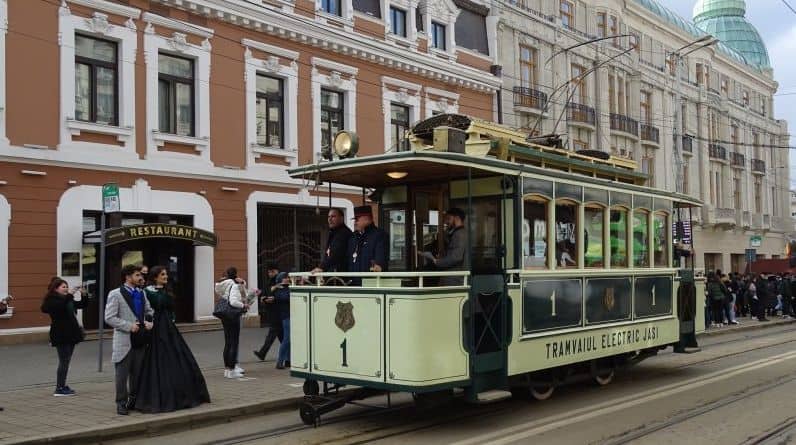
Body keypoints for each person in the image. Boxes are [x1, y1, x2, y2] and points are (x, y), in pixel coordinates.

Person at [134, 266, 210, 413]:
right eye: (163, 274)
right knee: (157, 358)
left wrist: (173, 317)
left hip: (169, 327)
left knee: (178, 356)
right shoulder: (147, 291)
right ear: (155, 276)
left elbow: (171, 309)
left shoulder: (167, 290)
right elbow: (146, 310)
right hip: (156, 327)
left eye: (166, 274)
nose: (166, 276)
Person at [105, 265, 154, 415]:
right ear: (127, 277)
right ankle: (121, 402)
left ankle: (134, 400)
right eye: (137, 275)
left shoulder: (141, 293)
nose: (141, 278)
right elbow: (109, 318)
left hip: (140, 338)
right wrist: (128, 326)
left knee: (137, 373)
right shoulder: (115, 294)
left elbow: (149, 310)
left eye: (141, 275)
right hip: (124, 339)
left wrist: (149, 321)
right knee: (122, 375)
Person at [41, 277, 89, 396]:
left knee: (66, 361)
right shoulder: (52, 300)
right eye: (63, 287)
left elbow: (81, 305)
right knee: (64, 361)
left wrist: (84, 295)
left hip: (71, 333)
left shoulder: (67, 299)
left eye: (67, 286)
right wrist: (70, 294)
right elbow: (57, 307)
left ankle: (62, 385)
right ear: (56, 289)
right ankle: (59, 388)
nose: (66, 288)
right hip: (60, 334)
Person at [215, 267, 249, 379]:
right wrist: (243, 305)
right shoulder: (234, 285)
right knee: (234, 343)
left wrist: (242, 283)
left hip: (225, 316)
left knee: (228, 342)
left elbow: (220, 293)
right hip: (233, 316)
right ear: (236, 275)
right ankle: (232, 369)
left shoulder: (222, 284)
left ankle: (227, 370)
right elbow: (233, 301)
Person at [347, 205, 387, 285]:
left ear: (367, 219)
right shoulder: (353, 237)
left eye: (357, 220)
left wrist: (378, 265)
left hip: (371, 284)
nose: (355, 223)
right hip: (353, 284)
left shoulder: (379, 235)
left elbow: (380, 257)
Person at [427, 207, 467, 286]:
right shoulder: (457, 233)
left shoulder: (459, 234)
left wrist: (438, 262)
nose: (446, 222)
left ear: (457, 218)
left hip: (454, 278)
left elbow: (456, 257)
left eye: (449, 219)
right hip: (454, 277)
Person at [254, 262, 284, 361]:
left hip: (278, 311)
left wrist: (273, 298)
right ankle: (289, 355)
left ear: (277, 271)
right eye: (269, 272)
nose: (270, 274)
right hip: (272, 311)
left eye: (272, 272)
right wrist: (262, 296)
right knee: (282, 337)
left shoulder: (280, 280)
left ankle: (262, 353)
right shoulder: (270, 281)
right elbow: (266, 292)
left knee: (273, 334)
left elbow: (281, 294)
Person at [312, 208, 353, 274]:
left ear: (341, 218)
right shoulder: (334, 233)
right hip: (333, 273)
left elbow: (335, 254)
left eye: (333, 216)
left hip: (340, 275)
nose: (330, 219)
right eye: (328, 217)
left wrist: (321, 267)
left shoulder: (344, 233)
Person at [273, 271, 291, 369]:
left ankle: (288, 360)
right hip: (286, 316)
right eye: (285, 277)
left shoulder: (288, 288)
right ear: (280, 279)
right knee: (287, 339)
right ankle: (280, 361)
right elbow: (285, 297)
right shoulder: (279, 289)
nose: (287, 279)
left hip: (290, 315)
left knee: (289, 339)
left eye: (287, 277)